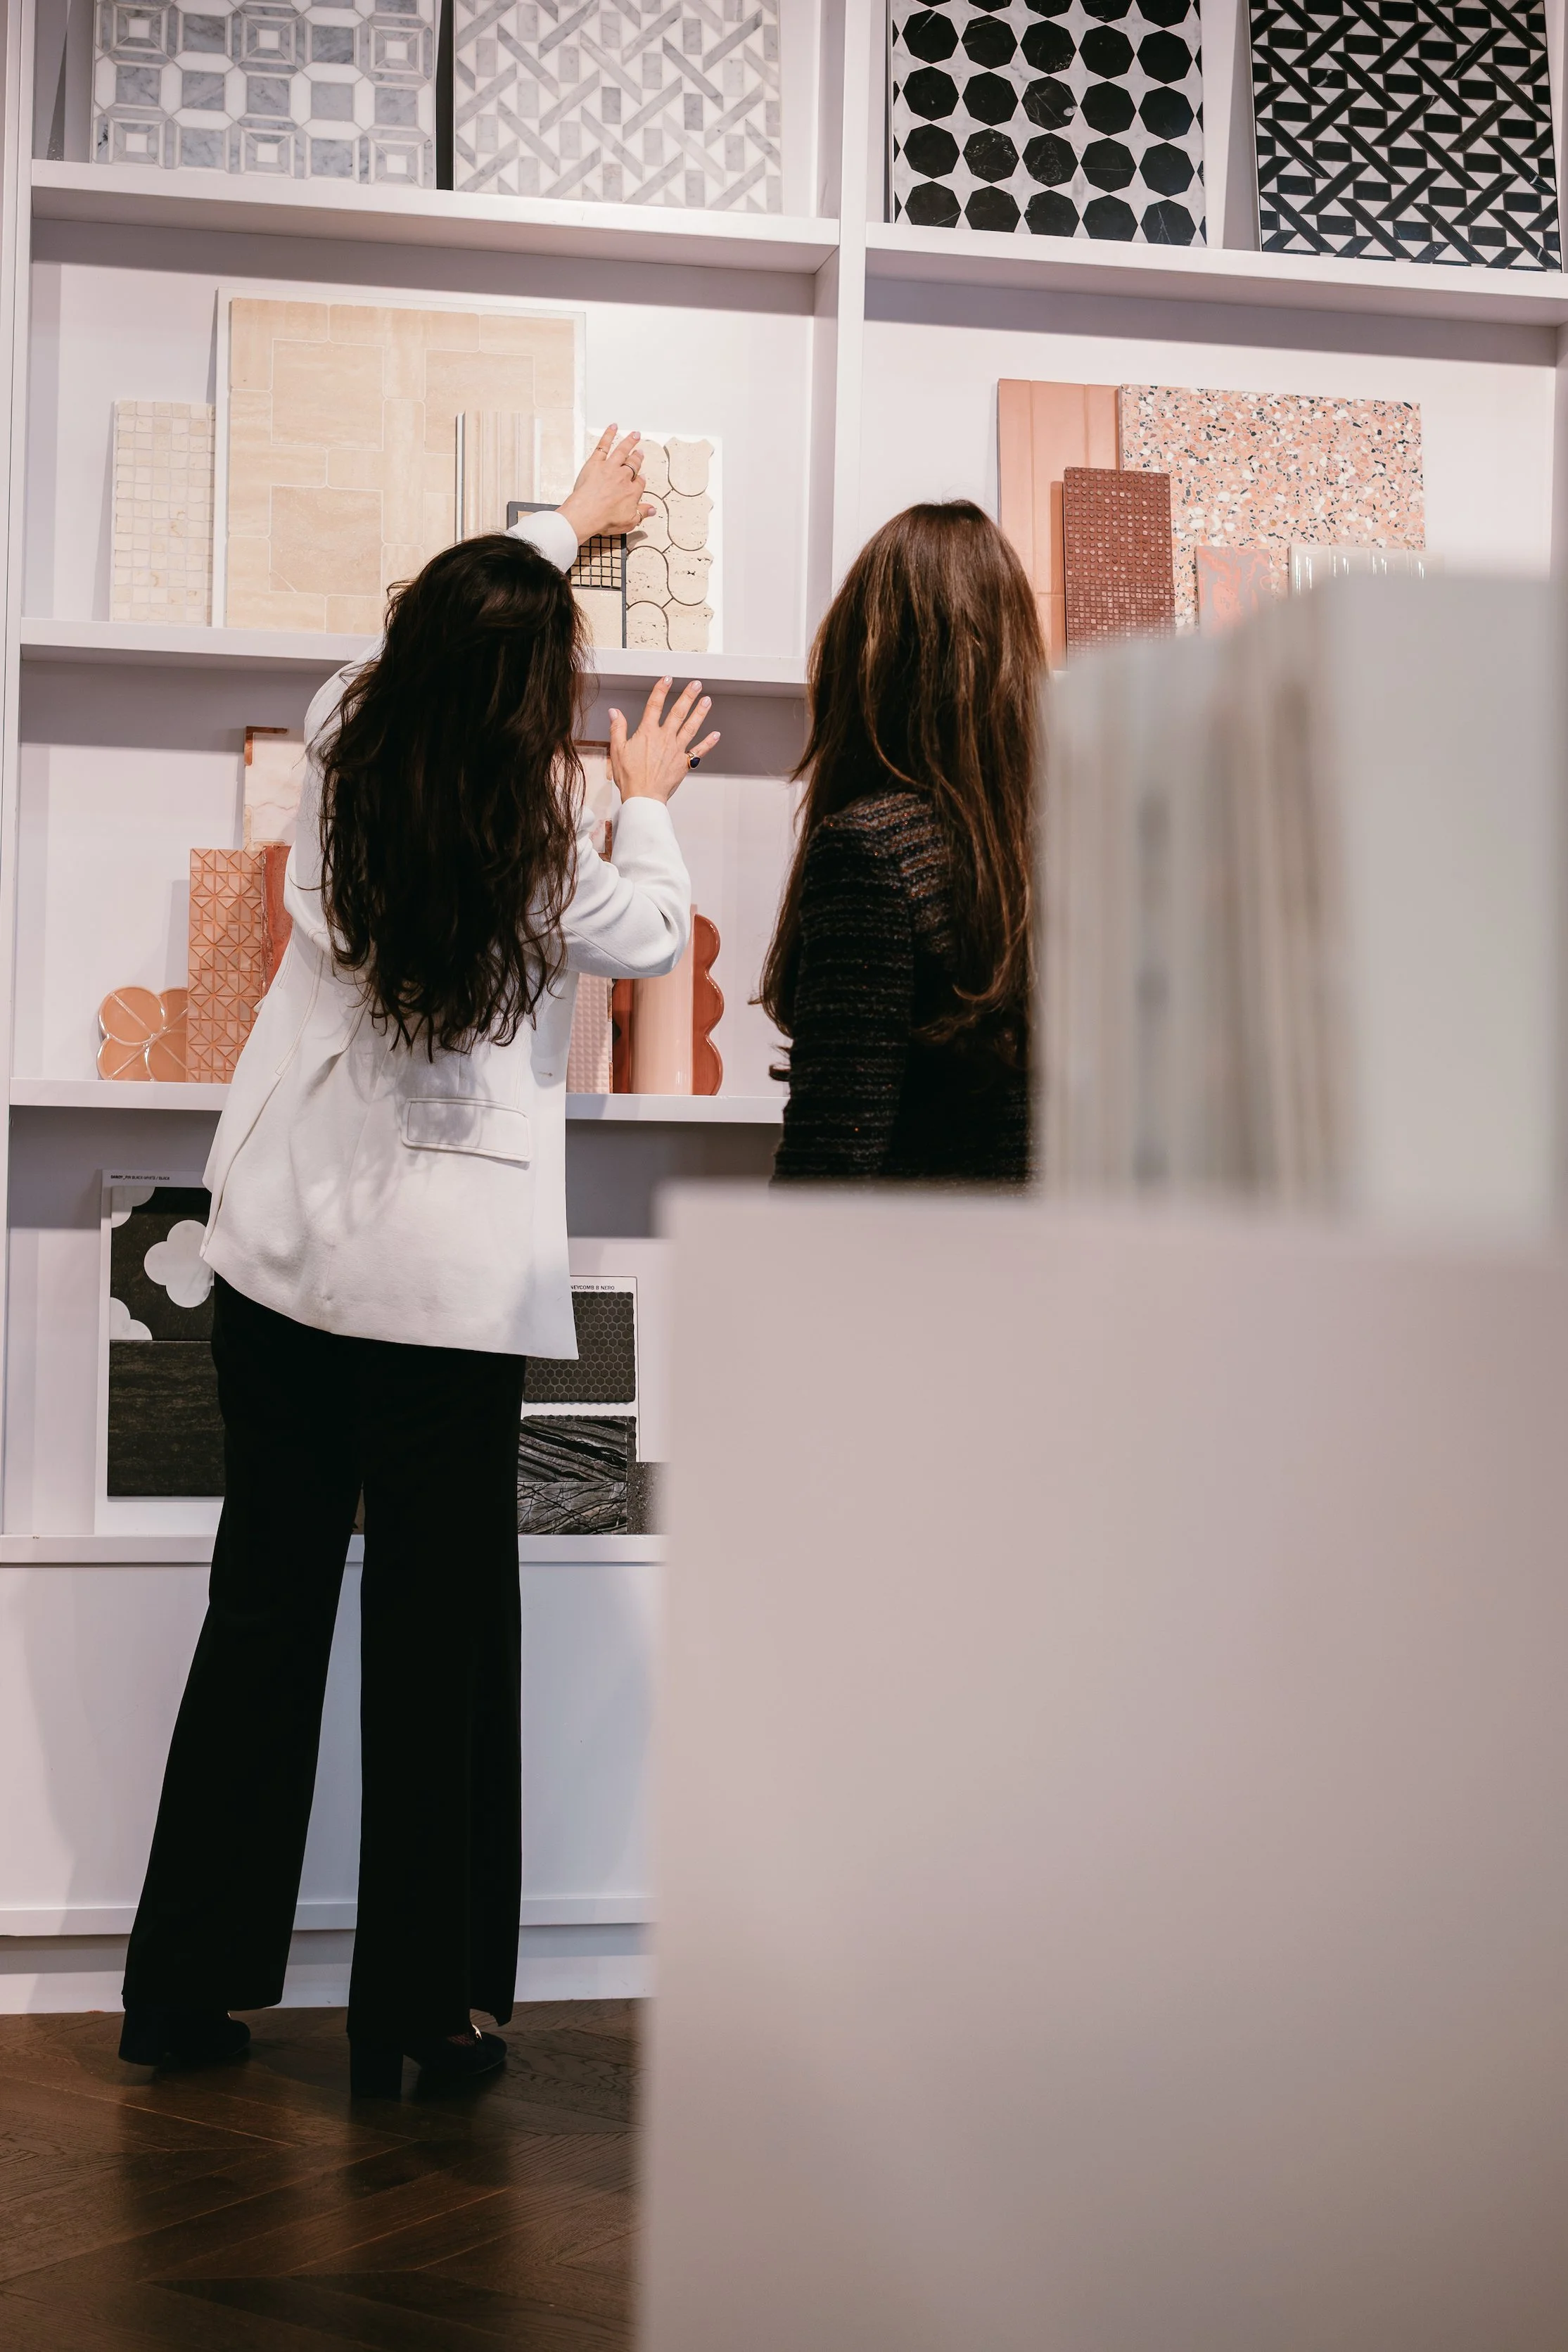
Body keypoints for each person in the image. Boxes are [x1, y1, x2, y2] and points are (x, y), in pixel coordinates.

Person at [119, 428, 719, 2099]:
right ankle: (423, 2009)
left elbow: (424, 639)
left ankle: (182, 1989)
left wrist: (549, 530)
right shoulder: (556, 842)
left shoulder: (336, 738)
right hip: (444, 1304)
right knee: (443, 1640)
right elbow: (655, 937)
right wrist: (652, 807)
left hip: (280, 1263)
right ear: (540, 703)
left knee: (263, 1612)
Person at [763, 502, 1042, 1184]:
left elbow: (831, 1163)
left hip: (919, 1275)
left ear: (868, 659)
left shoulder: (871, 852)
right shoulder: (1084, 849)